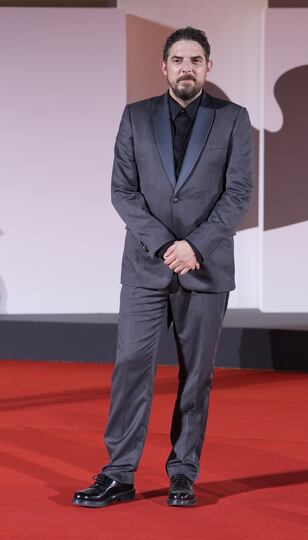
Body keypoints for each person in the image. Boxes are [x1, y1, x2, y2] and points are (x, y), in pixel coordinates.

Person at [73, 26, 252, 508]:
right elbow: (122, 191)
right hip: (146, 268)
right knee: (132, 365)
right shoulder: (135, 117)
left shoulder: (233, 118)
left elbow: (238, 192)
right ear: (164, 66)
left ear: (208, 67)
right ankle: (119, 473)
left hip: (206, 268)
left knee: (196, 375)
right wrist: (165, 245)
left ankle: (183, 472)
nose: (186, 67)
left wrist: (195, 246)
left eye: (196, 59)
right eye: (178, 59)